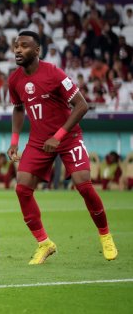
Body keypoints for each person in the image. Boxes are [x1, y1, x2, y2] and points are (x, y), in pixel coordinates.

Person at [8, 30, 118, 264]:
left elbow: (82, 105)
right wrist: (15, 141)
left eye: (24, 46)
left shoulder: (54, 73)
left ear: (37, 51)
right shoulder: (14, 79)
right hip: (38, 142)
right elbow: (18, 109)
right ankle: (44, 243)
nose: (18, 50)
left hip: (67, 138)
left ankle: (105, 235)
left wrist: (58, 136)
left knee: (84, 185)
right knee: (22, 189)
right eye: (16, 46)